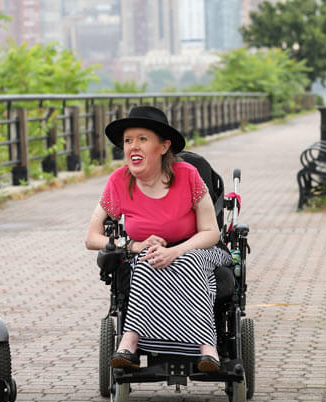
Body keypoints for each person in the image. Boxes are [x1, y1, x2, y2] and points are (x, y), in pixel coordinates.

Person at [85, 106, 231, 372]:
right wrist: (130, 245)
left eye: (142, 139)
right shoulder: (119, 181)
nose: (133, 147)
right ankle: (129, 342)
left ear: (163, 147)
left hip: (201, 247)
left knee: (188, 262)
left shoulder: (188, 175)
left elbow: (211, 232)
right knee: (144, 260)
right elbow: (92, 237)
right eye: (128, 141)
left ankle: (207, 348)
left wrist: (177, 252)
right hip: (148, 252)